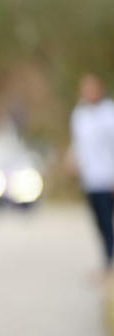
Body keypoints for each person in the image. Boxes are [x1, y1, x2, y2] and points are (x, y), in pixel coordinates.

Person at [69, 73, 114, 275]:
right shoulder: (79, 115)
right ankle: (108, 261)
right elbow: (79, 145)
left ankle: (110, 264)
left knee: (108, 221)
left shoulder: (109, 113)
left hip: (108, 179)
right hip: (90, 180)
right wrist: (72, 160)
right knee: (100, 224)